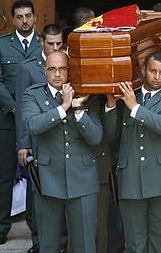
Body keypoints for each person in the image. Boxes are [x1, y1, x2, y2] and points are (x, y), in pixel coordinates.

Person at [103, 52, 161, 253]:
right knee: (134, 243)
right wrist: (112, 105)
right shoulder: (129, 96)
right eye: (152, 71)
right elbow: (111, 135)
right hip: (131, 178)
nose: (157, 77)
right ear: (143, 70)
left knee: (160, 243)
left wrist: (135, 107)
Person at [21, 51, 102, 253]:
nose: (57, 74)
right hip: (49, 178)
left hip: (82, 178)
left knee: (85, 244)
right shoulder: (33, 94)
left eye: (62, 69)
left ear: (69, 70)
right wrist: (64, 106)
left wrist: (78, 109)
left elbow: (96, 137)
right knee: (48, 243)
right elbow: (33, 125)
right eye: (52, 69)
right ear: (44, 70)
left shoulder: (86, 94)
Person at [0, 0, 42, 245]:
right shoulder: (2, 45)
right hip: (7, 122)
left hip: (36, 123)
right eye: (19, 17)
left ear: (35, 17)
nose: (24, 21)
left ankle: (36, 229)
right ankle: (0, 227)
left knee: (35, 175)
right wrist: (12, 107)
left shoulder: (43, 44)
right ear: (13, 19)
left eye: (28, 16)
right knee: (4, 174)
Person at [14, 24, 64, 253]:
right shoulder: (28, 67)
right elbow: (22, 109)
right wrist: (23, 143)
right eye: (51, 43)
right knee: (38, 194)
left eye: (59, 43)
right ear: (41, 42)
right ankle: (38, 242)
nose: (55, 46)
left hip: (61, 137)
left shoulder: (66, 62)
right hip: (36, 136)